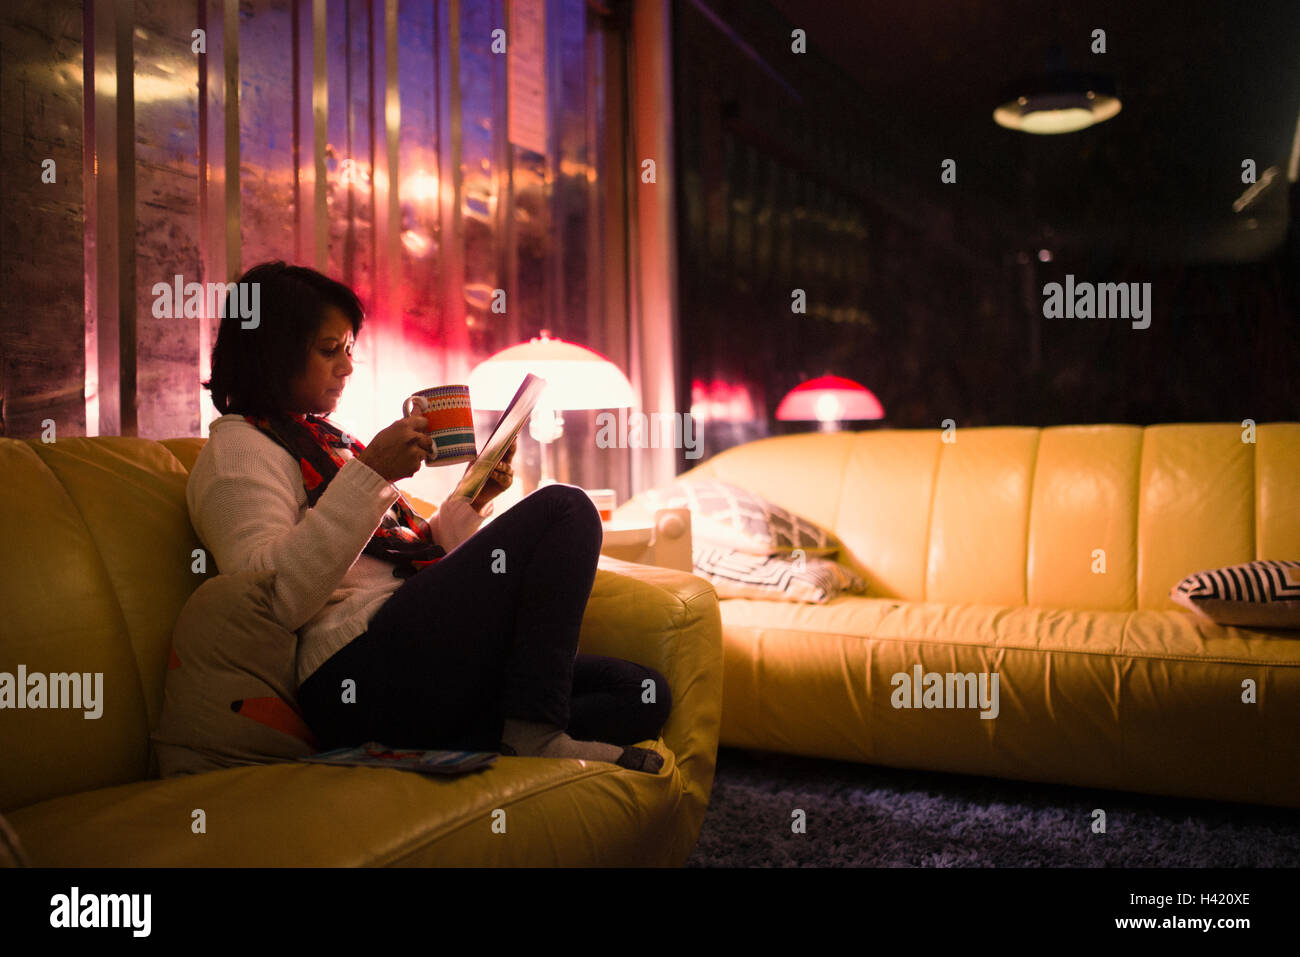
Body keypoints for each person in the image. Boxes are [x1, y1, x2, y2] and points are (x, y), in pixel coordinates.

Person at [187, 260, 669, 773]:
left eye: (348, 350)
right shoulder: (238, 451)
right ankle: (534, 735)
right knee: (564, 508)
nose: (347, 367)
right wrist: (372, 475)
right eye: (329, 350)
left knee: (639, 693)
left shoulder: (326, 442)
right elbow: (271, 599)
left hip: (418, 650)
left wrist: (473, 498)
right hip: (352, 672)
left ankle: (482, 736)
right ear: (272, 350)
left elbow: (406, 557)